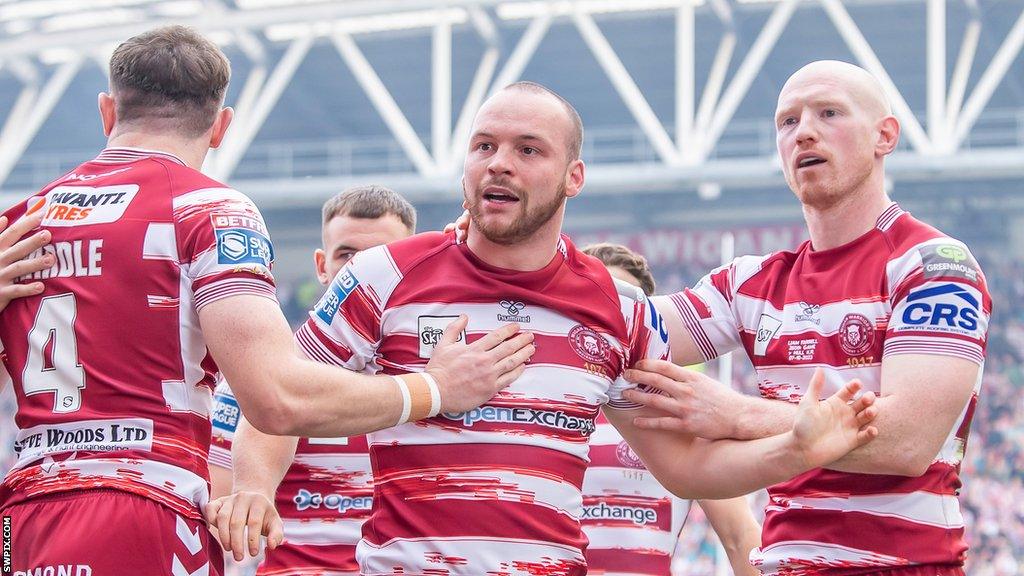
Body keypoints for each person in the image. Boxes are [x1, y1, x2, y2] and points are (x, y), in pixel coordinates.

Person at [213, 80, 879, 575]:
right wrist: (251, 489)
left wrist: (794, 449)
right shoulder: (382, 277)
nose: (498, 162)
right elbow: (283, 401)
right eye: (484, 146)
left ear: (572, 178)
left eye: (528, 150)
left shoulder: (615, 310)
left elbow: (682, 466)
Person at [0, 26, 533, 576]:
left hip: (26, 515)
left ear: (107, 112)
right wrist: (435, 388)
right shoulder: (209, 210)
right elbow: (274, 399)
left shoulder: (21, 222)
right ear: (222, 126)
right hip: (142, 504)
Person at [626, 61, 992, 574]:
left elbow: (908, 441)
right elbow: (630, 329)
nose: (805, 133)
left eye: (829, 112)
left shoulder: (933, 264)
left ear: (884, 136)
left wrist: (739, 415)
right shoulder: (750, 284)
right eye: (787, 122)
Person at [208, 185, 417, 573]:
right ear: (322, 266)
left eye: (380, 257)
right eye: (347, 255)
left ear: (412, 264)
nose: (362, 269)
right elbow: (220, 517)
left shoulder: (436, 377)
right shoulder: (258, 377)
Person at [580, 242, 761, 576]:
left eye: (626, 309)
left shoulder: (679, 417)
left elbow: (741, 538)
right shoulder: (550, 406)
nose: (614, 321)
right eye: (598, 303)